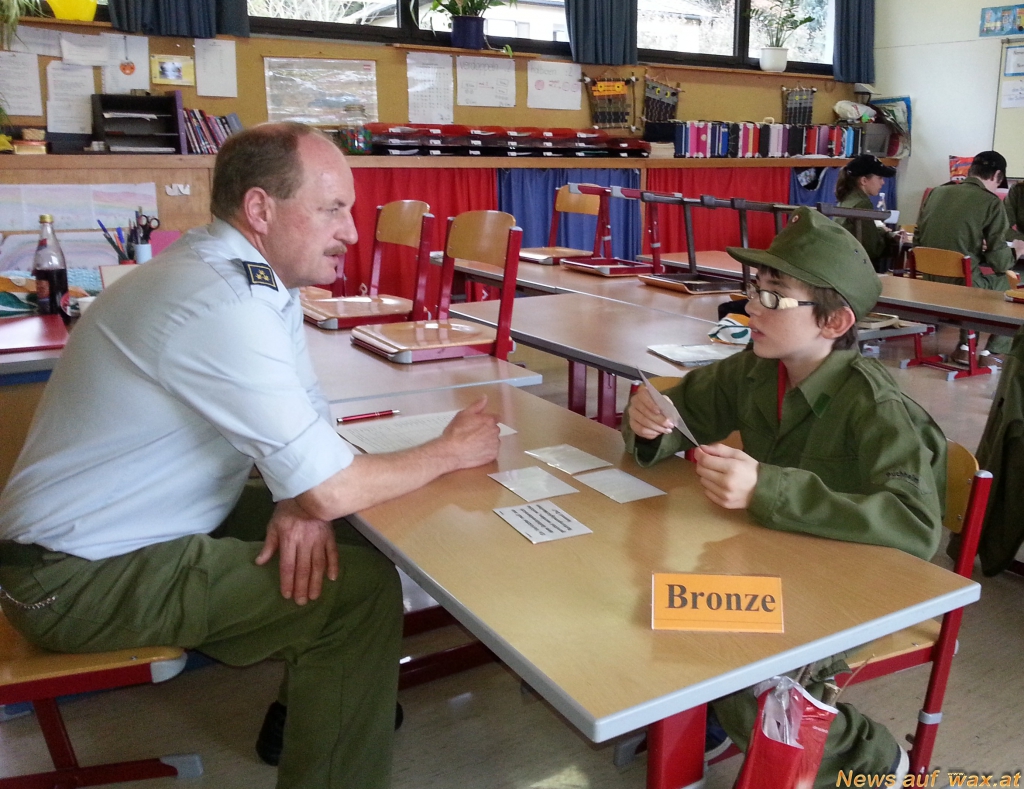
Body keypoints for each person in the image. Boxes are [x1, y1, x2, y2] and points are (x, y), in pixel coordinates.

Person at [0, 122, 501, 789]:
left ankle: (311, 711)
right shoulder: (221, 298)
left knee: (360, 527)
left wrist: (303, 498)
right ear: (260, 209)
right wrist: (447, 450)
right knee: (355, 595)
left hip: (127, 532)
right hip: (67, 580)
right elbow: (328, 482)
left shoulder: (253, 281)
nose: (352, 232)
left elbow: (311, 429)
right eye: (332, 209)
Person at [623, 207, 946, 789]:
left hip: (854, 583)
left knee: (757, 690)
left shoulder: (877, 408)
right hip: (771, 564)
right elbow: (681, 415)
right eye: (754, 289)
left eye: (774, 298)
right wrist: (650, 421)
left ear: (834, 321)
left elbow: (915, 527)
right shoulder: (753, 369)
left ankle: (873, 758)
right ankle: (704, 719)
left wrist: (765, 488)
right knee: (653, 607)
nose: (751, 308)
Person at [916, 150, 1024, 362]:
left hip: (927, 283)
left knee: (971, 274)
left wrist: (977, 250)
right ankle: (992, 353)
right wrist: (1017, 251)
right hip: (962, 287)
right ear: (997, 175)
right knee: (1012, 285)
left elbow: (918, 240)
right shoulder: (990, 202)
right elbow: (1001, 264)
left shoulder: (937, 193)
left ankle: (965, 347)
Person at [834, 154, 902, 272]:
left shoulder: (847, 199)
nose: (883, 182)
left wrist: (882, 232)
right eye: (879, 177)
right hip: (856, 270)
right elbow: (872, 249)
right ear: (864, 180)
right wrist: (888, 236)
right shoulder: (862, 204)